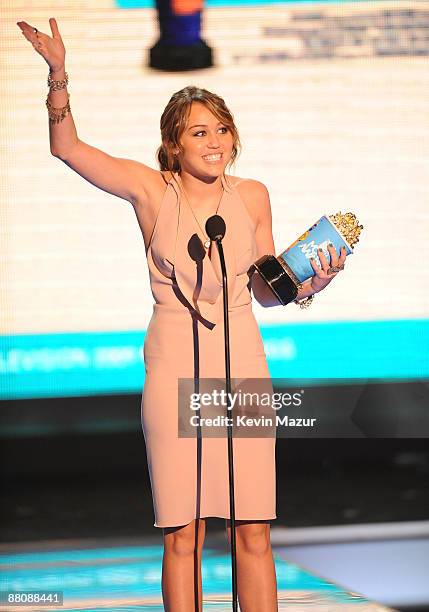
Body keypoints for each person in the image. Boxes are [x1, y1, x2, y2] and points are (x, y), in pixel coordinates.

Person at [17, 18, 346, 612]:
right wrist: (57, 73)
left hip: (243, 365)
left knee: (252, 529)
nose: (214, 141)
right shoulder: (151, 190)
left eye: (222, 129)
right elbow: (66, 149)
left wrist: (308, 280)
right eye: (199, 132)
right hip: (174, 367)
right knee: (184, 533)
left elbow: (266, 291)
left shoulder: (251, 196)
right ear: (174, 143)